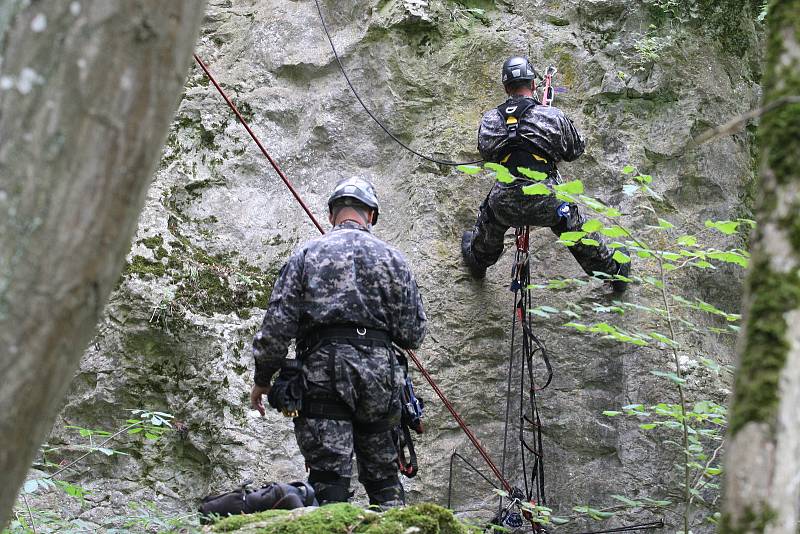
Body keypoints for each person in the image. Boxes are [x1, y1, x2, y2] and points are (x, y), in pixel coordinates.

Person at [249, 177, 427, 508]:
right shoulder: (394, 260)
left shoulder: (306, 254)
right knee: (384, 479)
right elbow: (412, 334)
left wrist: (263, 379)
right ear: (371, 216)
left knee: (328, 482)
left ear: (332, 214)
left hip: (323, 377)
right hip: (381, 380)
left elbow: (277, 326)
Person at [461, 56, 630, 291]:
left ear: (506, 88)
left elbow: (487, 155)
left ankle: (479, 261)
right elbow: (575, 150)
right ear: (533, 84)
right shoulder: (552, 116)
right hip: (546, 199)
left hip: (505, 200)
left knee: (491, 215)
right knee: (572, 225)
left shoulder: (490, 119)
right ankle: (612, 270)